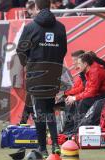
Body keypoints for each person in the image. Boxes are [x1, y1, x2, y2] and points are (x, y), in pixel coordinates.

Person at [17, 0, 67, 158]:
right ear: (50, 6)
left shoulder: (30, 27)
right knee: (50, 109)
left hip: (36, 74)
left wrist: (28, 65)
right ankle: (56, 145)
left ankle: (42, 148)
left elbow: (21, 51)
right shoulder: (60, 27)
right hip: (54, 74)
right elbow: (63, 50)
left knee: (39, 112)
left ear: (36, 7)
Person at [66, 53, 105, 130]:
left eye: (79, 63)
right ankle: (75, 128)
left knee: (84, 102)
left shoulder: (95, 71)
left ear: (85, 64)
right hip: (102, 94)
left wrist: (74, 97)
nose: (77, 65)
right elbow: (87, 89)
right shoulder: (89, 70)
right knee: (79, 101)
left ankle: (82, 129)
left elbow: (91, 92)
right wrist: (73, 97)